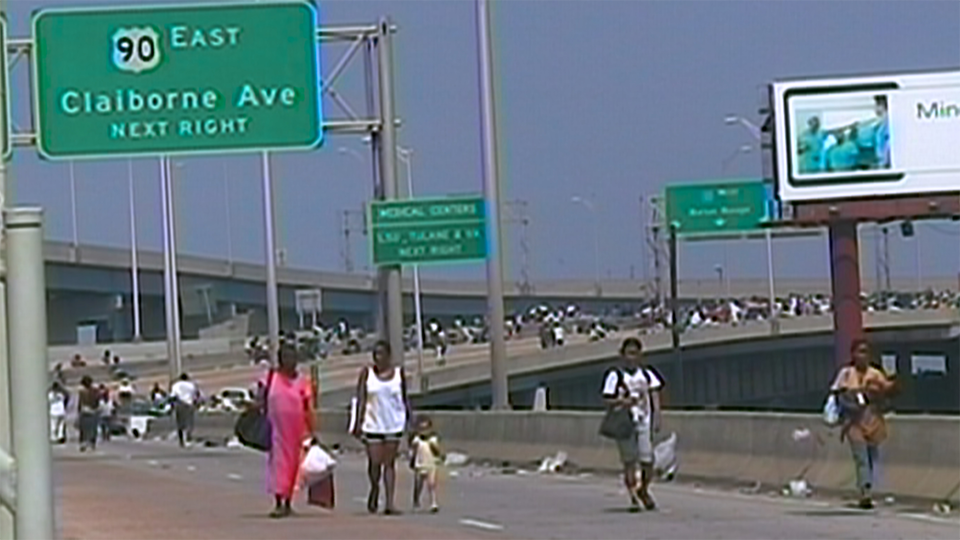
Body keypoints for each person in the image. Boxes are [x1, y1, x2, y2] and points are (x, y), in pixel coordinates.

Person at [830, 338, 896, 509]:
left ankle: (867, 486)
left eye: (865, 352)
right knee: (861, 457)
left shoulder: (875, 374)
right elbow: (839, 395)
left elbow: (888, 392)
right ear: (853, 354)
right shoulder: (846, 374)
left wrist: (886, 388)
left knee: (871, 457)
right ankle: (864, 492)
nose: (862, 355)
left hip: (872, 420)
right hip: (853, 422)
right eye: (859, 352)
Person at [601, 337, 664, 512]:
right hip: (625, 423)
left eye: (635, 354)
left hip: (644, 421)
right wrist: (623, 401)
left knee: (647, 461)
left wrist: (657, 416)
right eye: (629, 354)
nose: (632, 358)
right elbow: (607, 399)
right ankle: (633, 497)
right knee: (629, 461)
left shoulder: (647, 375)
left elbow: (655, 394)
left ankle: (643, 489)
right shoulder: (615, 375)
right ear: (622, 355)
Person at [352, 339, 410, 515]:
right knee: (375, 461)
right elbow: (361, 398)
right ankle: (374, 487)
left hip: (393, 424)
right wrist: (357, 423)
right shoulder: (367, 374)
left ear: (388, 356)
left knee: (389, 463)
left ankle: (390, 503)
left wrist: (410, 420)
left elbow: (404, 398)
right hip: (373, 424)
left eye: (381, 354)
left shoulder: (399, 374)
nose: (378, 358)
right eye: (375, 354)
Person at [262, 344, 314, 518]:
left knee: (294, 467)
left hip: (297, 432)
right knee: (279, 465)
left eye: (293, 357)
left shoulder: (302, 381)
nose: (290, 361)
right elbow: (262, 398)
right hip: (277, 430)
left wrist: (312, 429)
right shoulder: (271, 378)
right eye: (286, 357)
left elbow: (308, 407)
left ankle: (288, 502)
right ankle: (279, 502)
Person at [410, 415, 442, 513]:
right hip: (420, 464)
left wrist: (435, 448)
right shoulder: (417, 440)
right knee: (418, 484)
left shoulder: (433, 439)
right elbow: (413, 451)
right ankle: (416, 500)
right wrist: (412, 460)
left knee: (431, 484)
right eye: (421, 429)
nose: (424, 432)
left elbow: (437, 452)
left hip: (431, 464)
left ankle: (433, 502)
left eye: (426, 429)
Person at [170, 373, 200, 448]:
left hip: (179, 403)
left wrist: (172, 406)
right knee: (189, 421)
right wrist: (196, 403)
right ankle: (188, 438)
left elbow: (173, 396)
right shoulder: (191, 385)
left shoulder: (176, 385)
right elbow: (196, 395)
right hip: (189, 404)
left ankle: (181, 440)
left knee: (180, 422)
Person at [77, 376, 101, 452]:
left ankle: (83, 443)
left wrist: (79, 410)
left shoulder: (81, 392)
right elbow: (97, 400)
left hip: (84, 410)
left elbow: (80, 402)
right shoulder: (94, 391)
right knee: (93, 428)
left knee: (83, 428)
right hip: (93, 410)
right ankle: (92, 443)